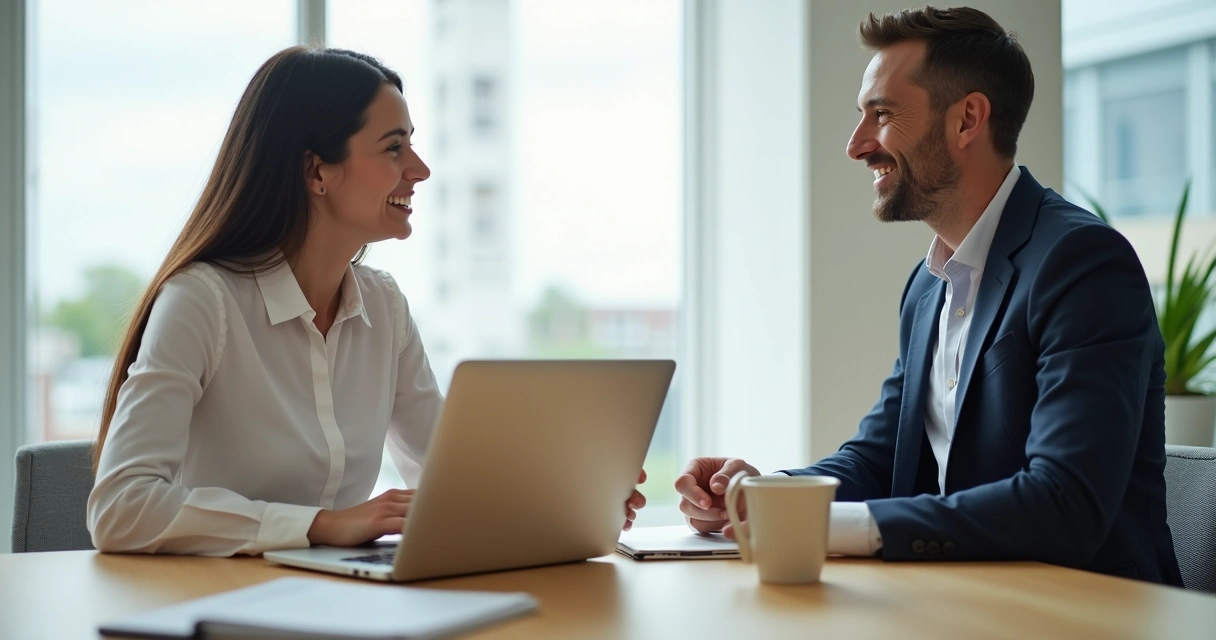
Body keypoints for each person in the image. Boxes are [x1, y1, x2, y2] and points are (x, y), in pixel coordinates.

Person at [665, 7, 1183, 585]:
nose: (856, 145)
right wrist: (761, 499)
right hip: (969, 599)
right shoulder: (929, 285)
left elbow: (1065, 502)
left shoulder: (1082, 263)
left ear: (967, 120)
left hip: (1091, 609)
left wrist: (824, 528)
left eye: (883, 114)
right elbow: (881, 457)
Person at [87, 46, 646, 556]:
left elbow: (449, 478)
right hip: (214, 604)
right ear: (317, 171)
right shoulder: (202, 302)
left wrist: (570, 499)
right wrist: (322, 524)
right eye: (394, 148)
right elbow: (119, 508)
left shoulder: (383, 306)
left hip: (340, 601)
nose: (420, 170)